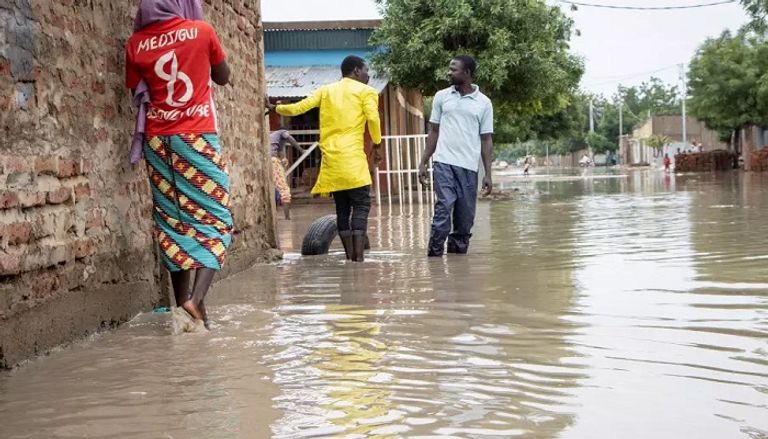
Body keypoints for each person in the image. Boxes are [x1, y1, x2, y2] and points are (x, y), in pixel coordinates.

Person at [126, 0, 232, 330]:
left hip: (158, 142)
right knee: (217, 218)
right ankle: (195, 301)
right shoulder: (201, 31)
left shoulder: (136, 43)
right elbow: (223, 77)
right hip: (196, 137)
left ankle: (185, 310)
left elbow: (135, 86)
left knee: (173, 221)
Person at [266, 55, 382, 262]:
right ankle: (358, 262)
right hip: (354, 162)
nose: (368, 75)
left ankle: (349, 259)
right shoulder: (367, 92)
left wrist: (276, 108)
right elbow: (373, 118)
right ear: (356, 71)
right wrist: (378, 144)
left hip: (332, 164)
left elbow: (299, 107)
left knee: (342, 210)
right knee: (362, 207)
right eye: (366, 70)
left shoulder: (326, 90)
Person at [418, 55, 493, 257]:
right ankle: (433, 259)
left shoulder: (484, 103)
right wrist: (424, 160)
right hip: (443, 162)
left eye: (454, 69)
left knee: (464, 220)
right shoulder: (442, 97)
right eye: (449, 69)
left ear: (467, 73)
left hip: (469, 167)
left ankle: (457, 265)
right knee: (444, 208)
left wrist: (488, 173)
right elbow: (433, 131)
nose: (449, 73)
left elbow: (486, 139)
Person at [270, 128, 305, 220]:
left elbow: (280, 151)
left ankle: (285, 215)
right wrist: (301, 150)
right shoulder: (282, 132)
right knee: (284, 189)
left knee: (277, 188)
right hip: (272, 160)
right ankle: (287, 217)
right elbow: (289, 138)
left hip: (273, 159)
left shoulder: (276, 139)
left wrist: (283, 159)